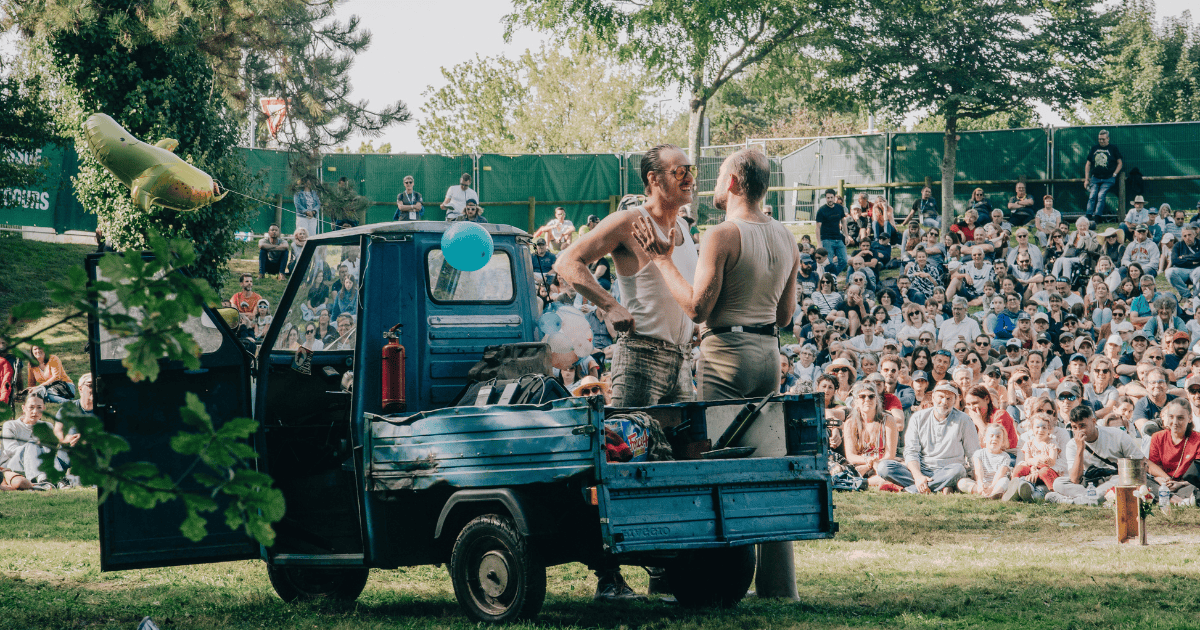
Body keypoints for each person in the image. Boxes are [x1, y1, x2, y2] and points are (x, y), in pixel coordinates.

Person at [635, 146, 799, 600]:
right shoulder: (787, 236)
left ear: (732, 184)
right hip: (769, 353)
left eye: (718, 174)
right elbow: (786, 315)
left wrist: (663, 259)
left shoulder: (722, 234)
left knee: (720, 463)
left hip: (726, 352)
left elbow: (697, 307)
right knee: (767, 461)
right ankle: (779, 586)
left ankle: (714, 576)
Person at [554, 144, 700, 601]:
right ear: (653, 179)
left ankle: (665, 570)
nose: (689, 177)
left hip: (679, 360)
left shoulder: (685, 228)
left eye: (691, 170)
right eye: (680, 170)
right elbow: (566, 263)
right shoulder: (628, 222)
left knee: (679, 463)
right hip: (639, 356)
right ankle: (608, 578)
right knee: (621, 463)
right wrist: (610, 304)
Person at [878, 382, 978, 494]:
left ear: (955, 401)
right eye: (941, 397)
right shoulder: (918, 418)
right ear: (933, 397)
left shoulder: (964, 420)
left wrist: (978, 478)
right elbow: (911, 451)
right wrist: (918, 476)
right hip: (922, 469)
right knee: (884, 467)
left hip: (948, 470)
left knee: (959, 470)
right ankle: (939, 485)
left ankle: (910, 490)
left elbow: (973, 453)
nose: (944, 402)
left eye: (949, 398)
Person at [1048, 404, 1142, 504]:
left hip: (1113, 477)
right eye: (1074, 427)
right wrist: (1080, 449)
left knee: (1123, 479)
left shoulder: (1117, 435)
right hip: (1091, 481)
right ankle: (1094, 498)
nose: (1079, 431)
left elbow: (1138, 463)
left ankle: (1072, 501)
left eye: (1082, 426)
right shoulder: (1072, 444)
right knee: (1058, 483)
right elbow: (1075, 479)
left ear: (1093, 421)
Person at [843, 383, 901, 490]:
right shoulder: (850, 423)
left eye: (871, 396)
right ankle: (876, 482)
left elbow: (890, 455)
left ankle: (865, 482)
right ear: (856, 402)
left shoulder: (888, 420)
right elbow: (851, 456)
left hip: (883, 464)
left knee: (888, 470)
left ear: (876, 400)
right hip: (861, 464)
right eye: (862, 396)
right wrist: (867, 461)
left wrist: (873, 464)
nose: (867, 399)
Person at [1, 394, 62, 490]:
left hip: (41, 465)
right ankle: (43, 479)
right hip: (14, 465)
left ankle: (57, 479)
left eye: (39, 408)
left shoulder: (47, 426)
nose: (35, 411)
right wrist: (33, 446)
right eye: (31, 407)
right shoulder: (10, 425)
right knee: (33, 444)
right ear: (23, 408)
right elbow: (10, 451)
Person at [1146, 398, 1200, 502]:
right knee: (1141, 479)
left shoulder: (1198, 439)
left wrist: (1180, 484)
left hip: (1186, 485)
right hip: (1163, 484)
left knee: (1196, 488)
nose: (1175, 422)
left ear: (1189, 419)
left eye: (1180, 418)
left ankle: (1169, 498)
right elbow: (1154, 467)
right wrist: (1162, 479)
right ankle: (1176, 499)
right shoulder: (1157, 437)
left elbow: (1198, 475)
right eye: (1171, 417)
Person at [958, 425, 1014, 499]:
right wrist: (980, 484)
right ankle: (981, 492)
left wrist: (992, 486)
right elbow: (978, 471)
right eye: (991, 436)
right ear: (984, 439)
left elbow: (1000, 474)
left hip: (996, 484)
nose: (994, 438)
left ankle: (994, 493)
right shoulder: (978, 454)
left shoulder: (1005, 457)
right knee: (962, 482)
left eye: (998, 436)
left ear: (1003, 441)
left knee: (1005, 481)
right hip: (982, 484)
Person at [1084, 129, 1123, 223]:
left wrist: (1114, 174)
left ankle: (1098, 217)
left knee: (1101, 195)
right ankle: (1088, 216)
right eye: (1099, 139)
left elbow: (1120, 163)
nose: (1101, 141)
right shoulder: (1094, 148)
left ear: (1108, 139)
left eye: (1103, 139)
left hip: (1108, 178)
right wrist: (1086, 179)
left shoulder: (1113, 148)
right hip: (1095, 177)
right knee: (1092, 195)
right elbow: (1088, 164)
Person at [815, 188, 849, 276]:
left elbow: (843, 221)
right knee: (828, 263)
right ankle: (829, 278)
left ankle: (832, 276)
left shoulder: (839, 208)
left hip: (838, 239)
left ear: (834, 197)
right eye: (828, 198)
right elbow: (818, 227)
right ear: (825, 198)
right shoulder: (821, 210)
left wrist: (846, 236)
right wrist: (819, 243)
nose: (829, 200)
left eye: (831, 197)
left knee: (844, 261)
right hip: (826, 239)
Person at [1166, 225, 1200, 299]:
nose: (1187, 238)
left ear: (1194, 235)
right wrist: (1192, 262)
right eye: (1185, 236)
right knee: (1169, 272)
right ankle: (1186, 294)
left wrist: (1184, 257)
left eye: (1189, 235)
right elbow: (1175, 261)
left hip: (1197, 270)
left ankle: (1196, 297)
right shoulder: (1178, 245)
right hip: (1183, 271)